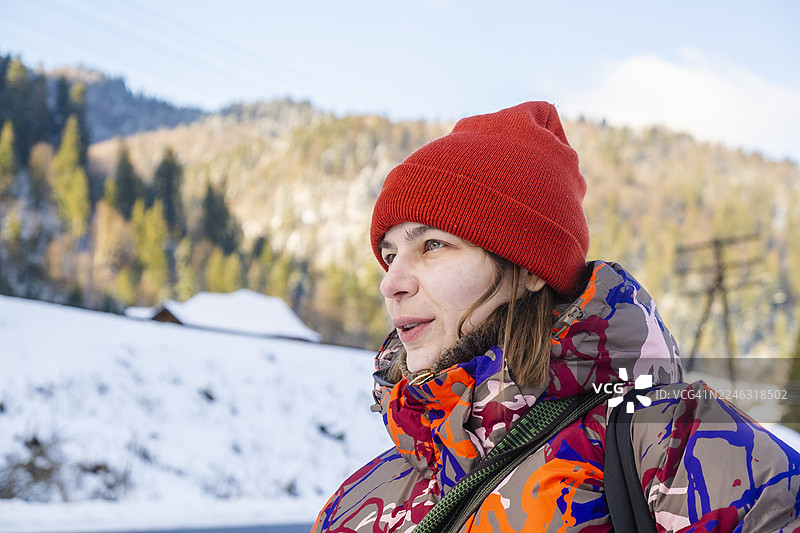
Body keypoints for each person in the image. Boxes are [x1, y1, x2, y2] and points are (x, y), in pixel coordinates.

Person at [311, 102, 800, 532]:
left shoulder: (674, 445)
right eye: (389, 253)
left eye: (433, 245)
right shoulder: (354, 503)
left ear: (528, 270)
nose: (391, 282)